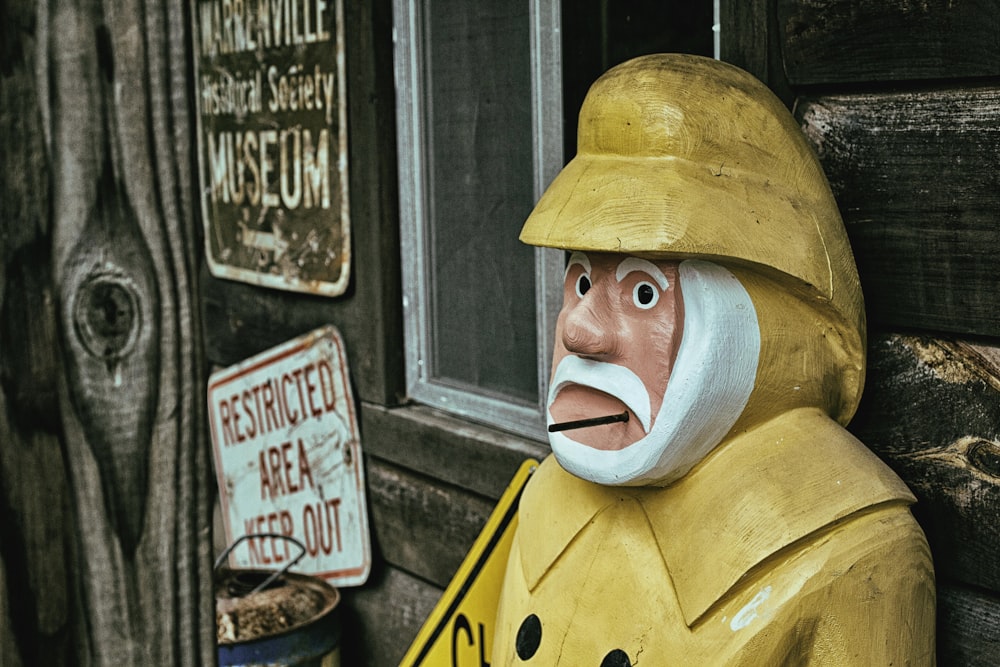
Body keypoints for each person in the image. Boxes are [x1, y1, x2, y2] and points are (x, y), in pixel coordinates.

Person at [491, 54, 935, 666]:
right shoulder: (546, 500)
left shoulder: (853, 551)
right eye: (582, 281)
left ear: (762, 316)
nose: (578, 328)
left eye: (644, 293)